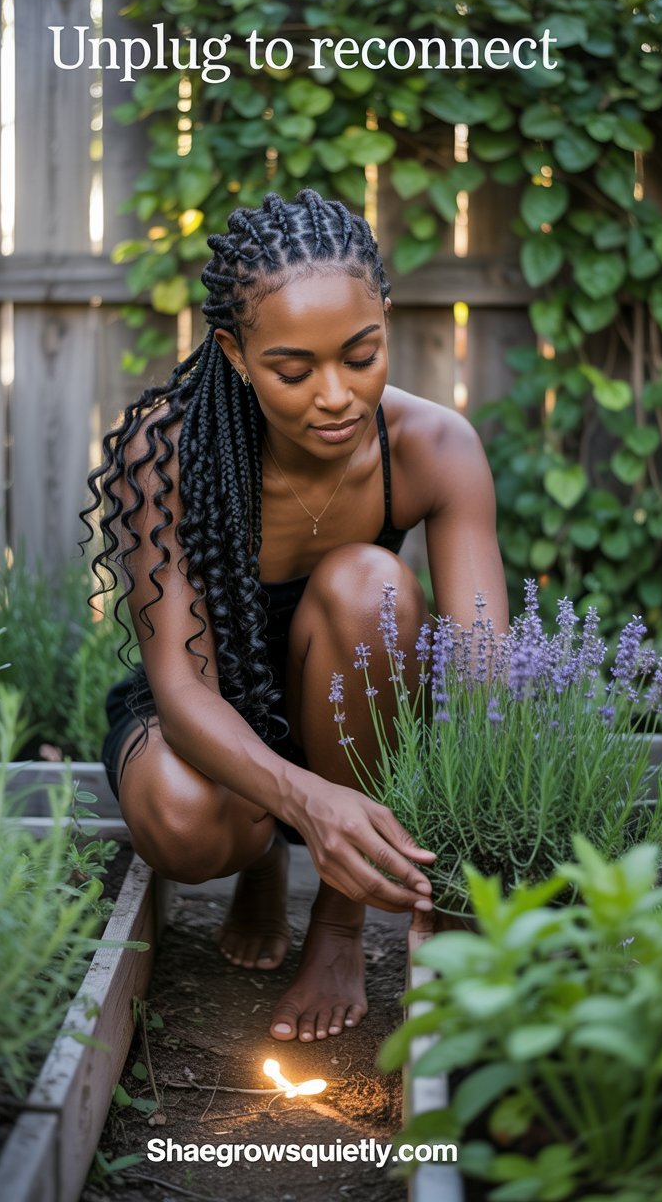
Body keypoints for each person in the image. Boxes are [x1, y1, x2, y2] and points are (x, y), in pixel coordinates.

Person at [84, 188, 508, 1044]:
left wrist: (469, 863)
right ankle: (266, 859)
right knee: (179, 820)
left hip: (359, 718)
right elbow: (179, 685)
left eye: (361, 355)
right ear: (236, 353)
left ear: (385, 317)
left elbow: (486, 670)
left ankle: (337, 929)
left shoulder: (434, 449)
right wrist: (306, 806)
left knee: (370, 586)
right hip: (212, 714)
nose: (336, 397)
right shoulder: (165, 453)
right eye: (294, 369)